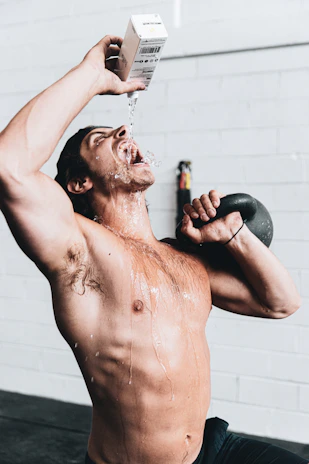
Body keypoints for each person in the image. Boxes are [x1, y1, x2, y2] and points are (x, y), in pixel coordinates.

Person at [0, 35, 306, 464]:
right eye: (101, 139)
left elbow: (281, 303)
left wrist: (232, 235)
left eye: (118, 129)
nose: (123, 131)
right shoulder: (81, 250)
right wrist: (91, 76)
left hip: (209, 450)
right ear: (79, 183)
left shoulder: (182, 258)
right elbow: (8, 167)